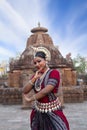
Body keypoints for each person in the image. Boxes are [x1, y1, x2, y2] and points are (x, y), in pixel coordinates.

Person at [23, 48, 70, 130]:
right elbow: (25, 90)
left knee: (60, 127)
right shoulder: (36, 75)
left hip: (52, 110)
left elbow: (46, 90)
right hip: (37, 111)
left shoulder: (54, 73)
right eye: (35, 63)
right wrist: (34, 79)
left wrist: (31, 99)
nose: (37, 64)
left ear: (45, 60)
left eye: (39, 61)